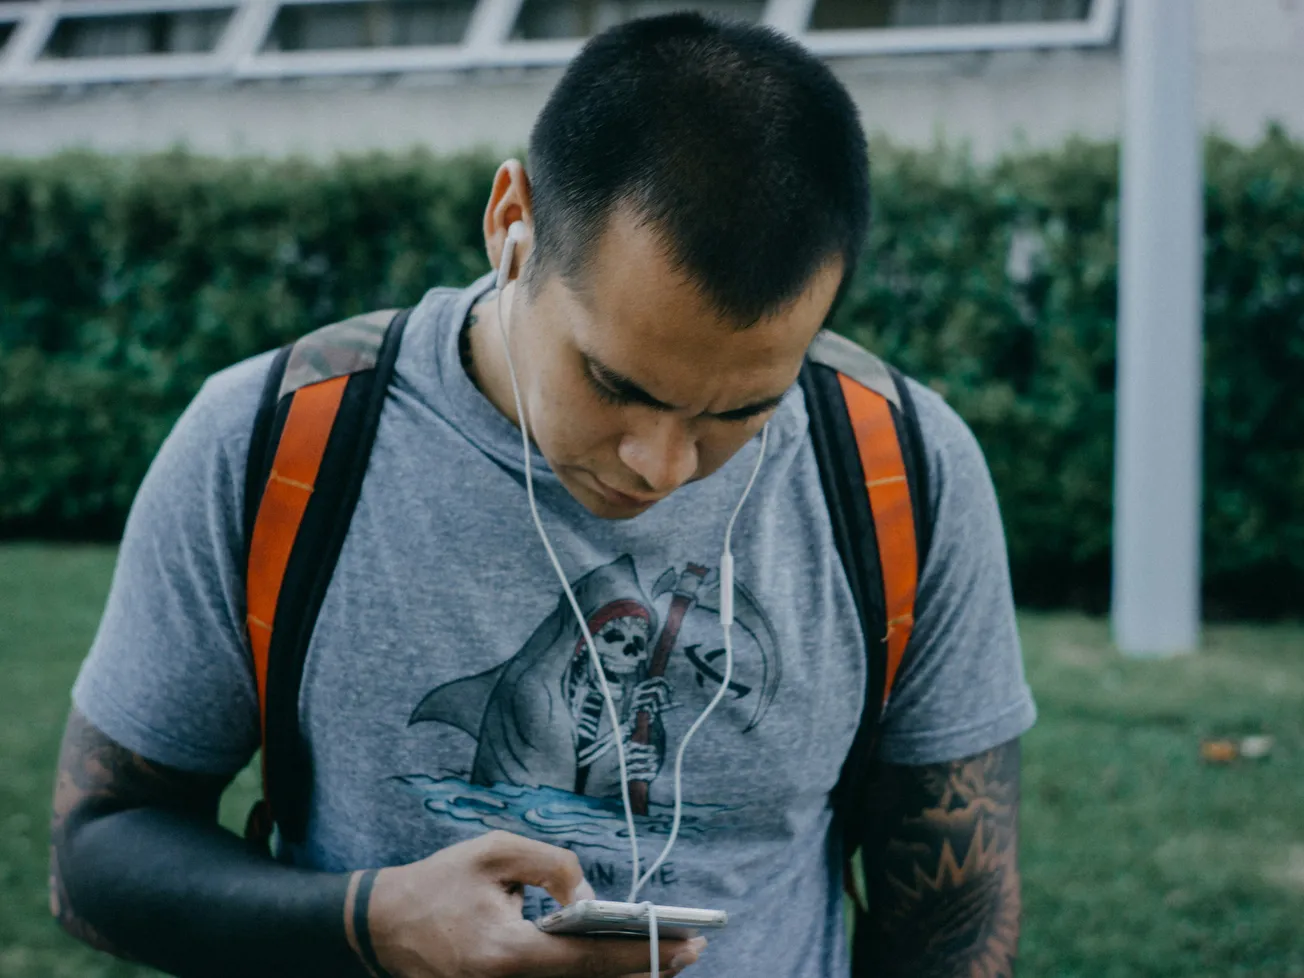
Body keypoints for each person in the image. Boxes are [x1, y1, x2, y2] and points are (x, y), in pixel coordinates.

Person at [49, 12, 1035, 978]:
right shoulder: (273, 439)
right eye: (614, 383)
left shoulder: (902, 466)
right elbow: (99, 853)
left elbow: (949, 899)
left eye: (741, 410)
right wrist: (369, 923)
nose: (662, 465)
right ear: (511, 224)